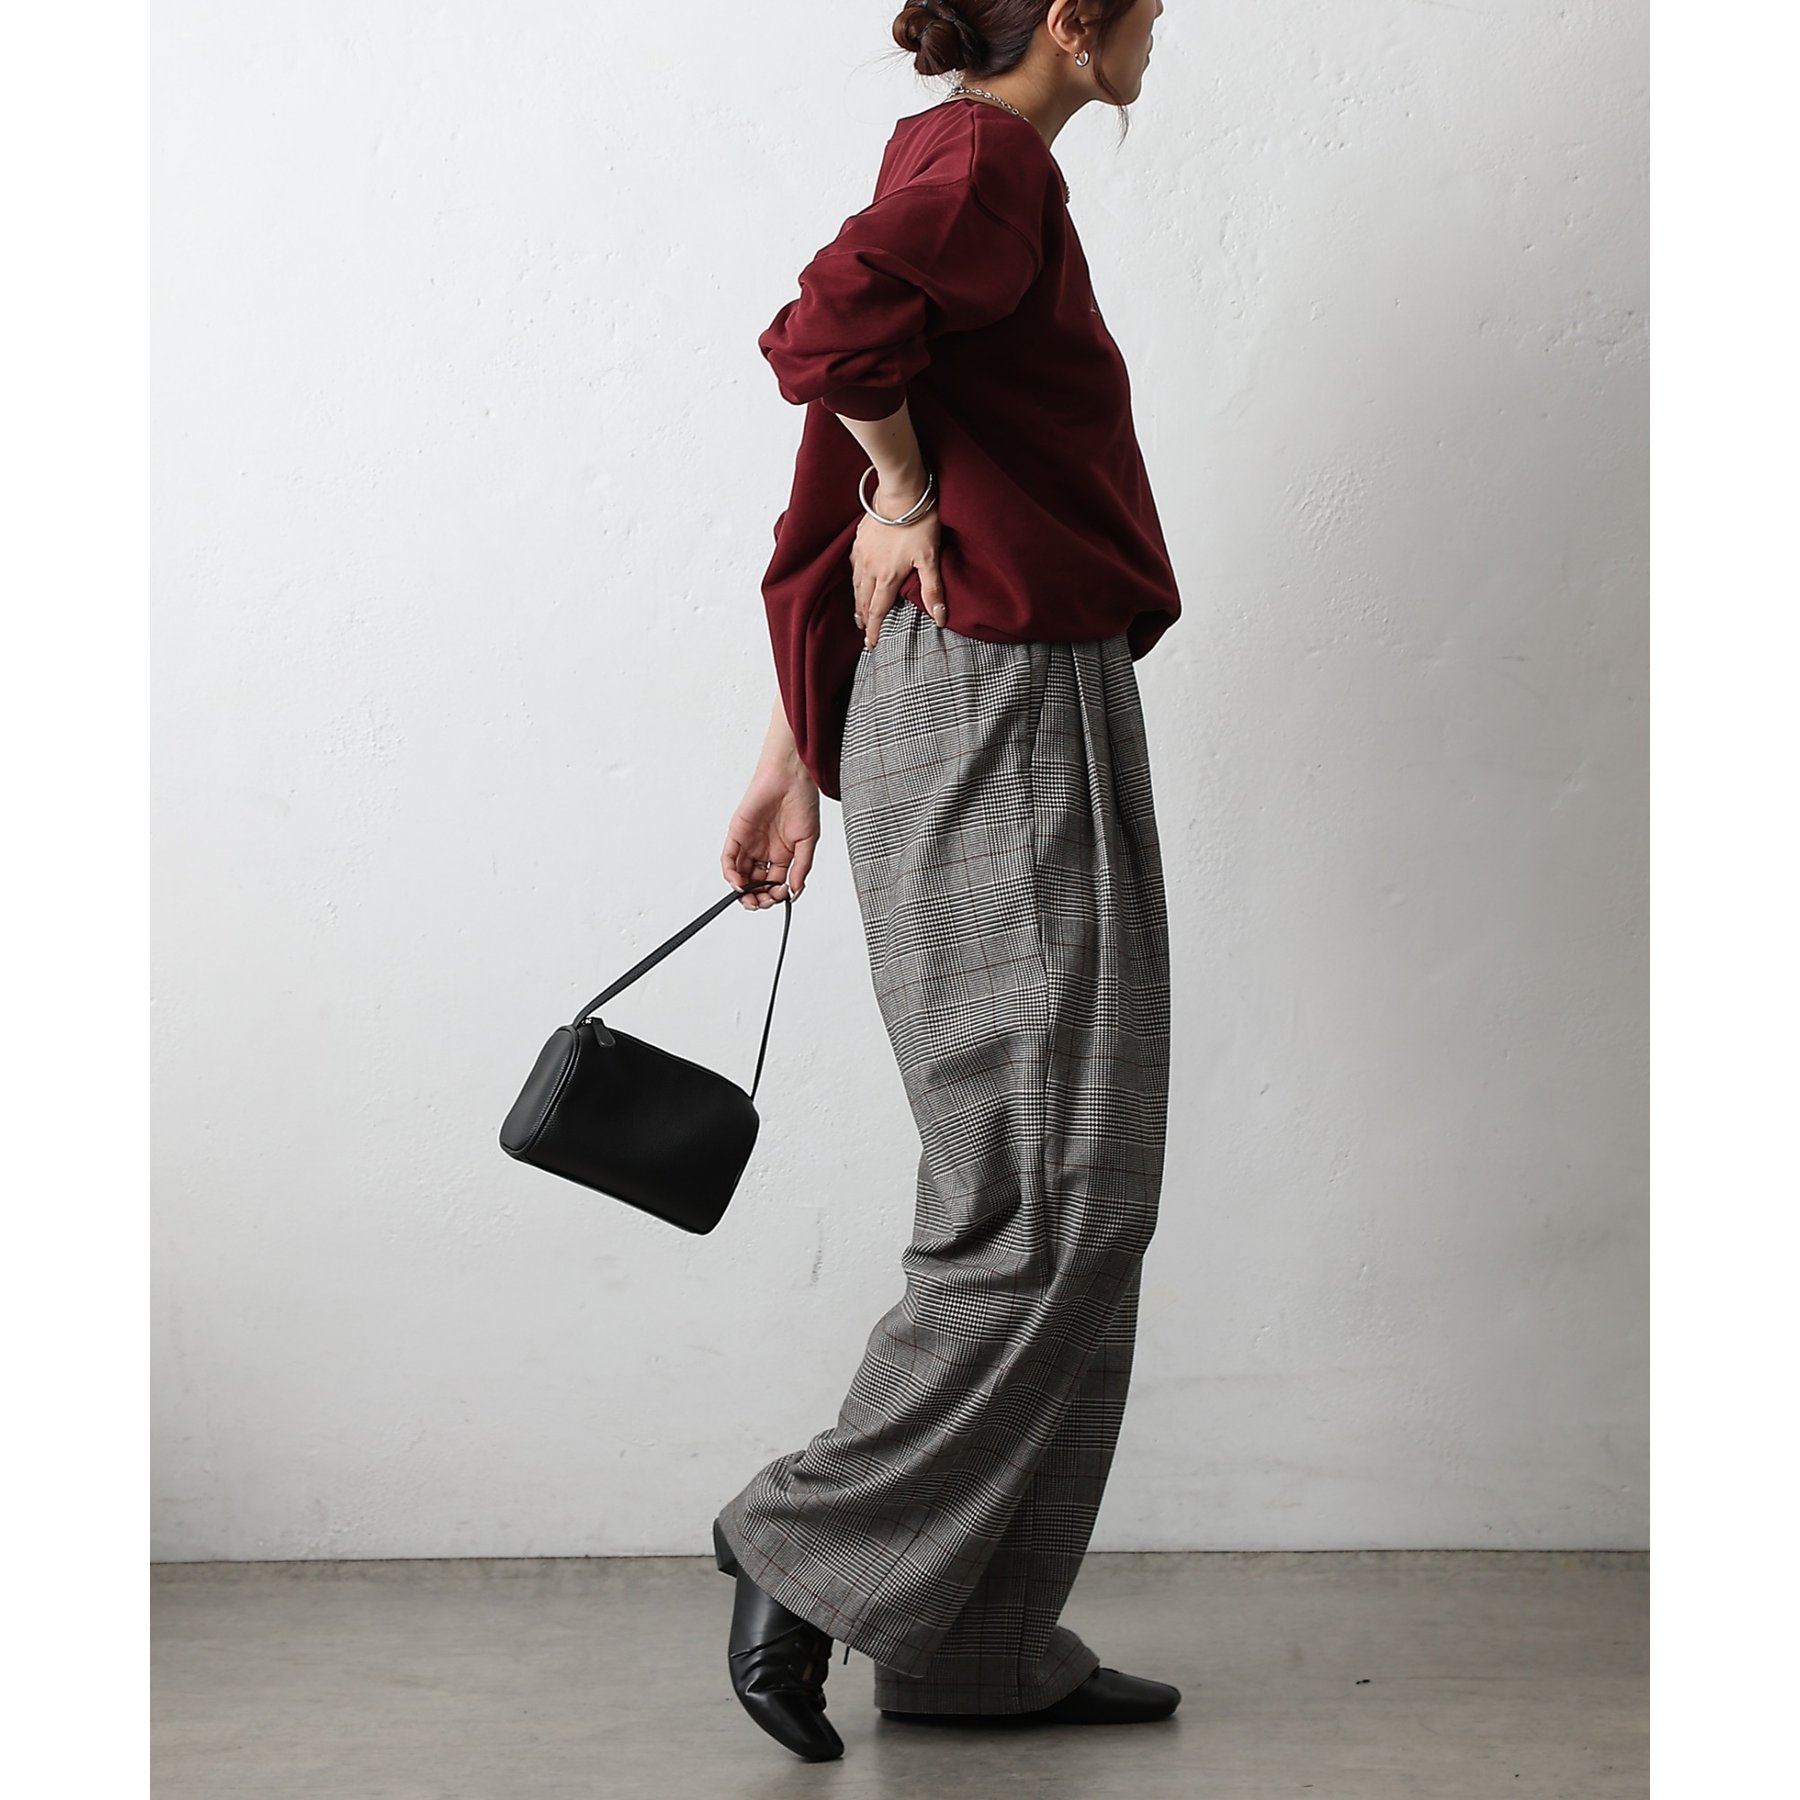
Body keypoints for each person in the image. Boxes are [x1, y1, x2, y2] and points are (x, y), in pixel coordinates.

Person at [712, 0, 1180, 1763]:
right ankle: (806, 1546)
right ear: (1072, 19)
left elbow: (844, 474)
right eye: (1150, 6)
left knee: (1068, 1180)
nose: (1162, 32)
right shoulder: (984, 157)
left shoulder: (958, 161)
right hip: (1002, 686)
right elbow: (833, 347)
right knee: (1048, 1193)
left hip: (975, 682)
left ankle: (981, 1643)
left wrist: (792, 744)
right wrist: (909, 488)